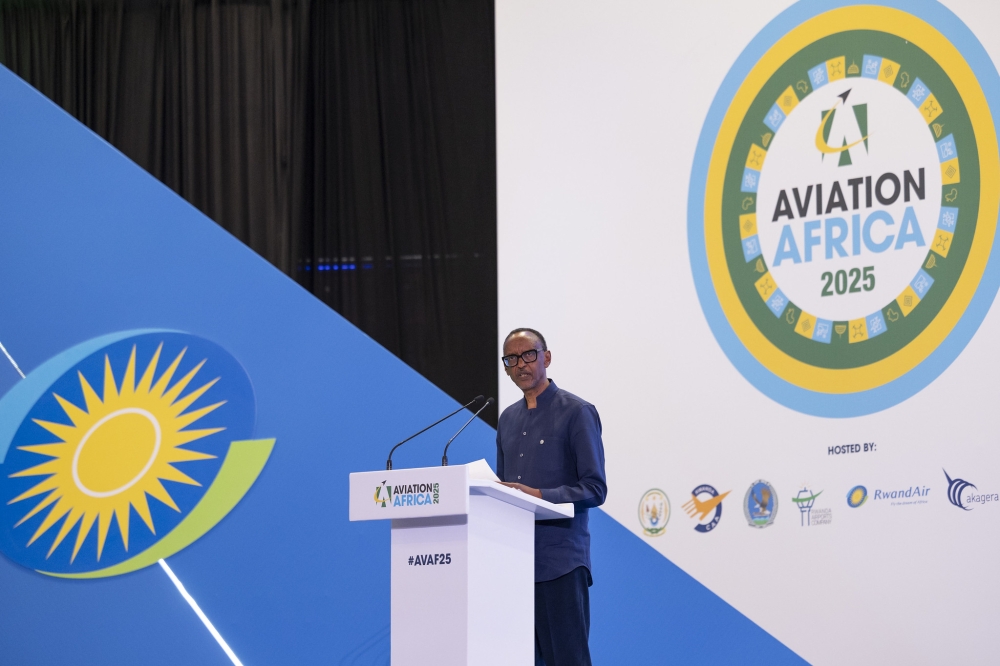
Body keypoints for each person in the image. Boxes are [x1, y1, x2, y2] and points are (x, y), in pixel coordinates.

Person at [496, 327, 607, 666]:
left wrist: (540, 495)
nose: (521, 364)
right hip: (516, 563)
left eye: (528, 354)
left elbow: (595, 488)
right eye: (511, 359)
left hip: (560, 562)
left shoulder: (577, 411)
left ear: (546, 357)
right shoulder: (507, 419)